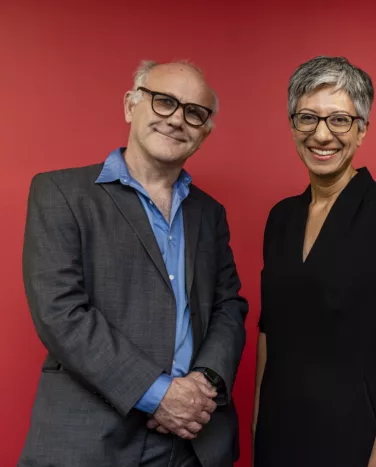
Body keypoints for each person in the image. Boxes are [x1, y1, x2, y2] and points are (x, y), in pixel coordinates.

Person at [21, 60, 248, 467]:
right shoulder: (60, 193)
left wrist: (205, 382)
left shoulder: (210, 214)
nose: (177, 120)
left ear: (204, 132)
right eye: (164, 102)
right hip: (93, 440)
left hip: (195, 442)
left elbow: (228, 307)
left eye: (193, 112)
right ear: (131, 105)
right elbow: (61, 313)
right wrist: (158, 394)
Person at [251, 56, 376, 467]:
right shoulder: (280, 217)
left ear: (362, 129)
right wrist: (257, 429)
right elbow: (269, 331)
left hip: (358, 440)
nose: (322, 134)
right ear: (292, 124)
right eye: (308, 118)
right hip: (280, 438)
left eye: (339, 120)